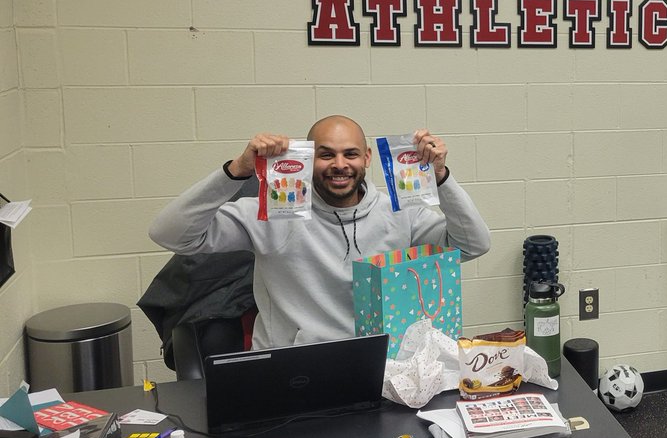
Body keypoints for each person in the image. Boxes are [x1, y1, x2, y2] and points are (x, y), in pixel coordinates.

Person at [149, 116, 490, 350]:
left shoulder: (400, 213)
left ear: (367, 158)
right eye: (326, 154)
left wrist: (442, 177)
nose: (339, 164)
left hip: (378, 367)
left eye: (350, 154)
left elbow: (474, 244)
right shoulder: (273, 213)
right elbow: (170, 233)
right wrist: (236, 171)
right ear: (310, 159)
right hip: (290, 371)